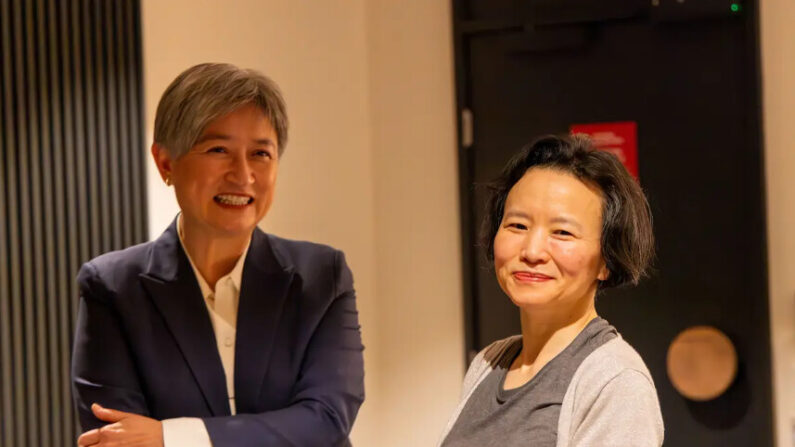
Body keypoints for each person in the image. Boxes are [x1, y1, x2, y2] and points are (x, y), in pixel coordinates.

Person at [71, 63, 364, 447]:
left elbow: (326, 419)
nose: (242, 175)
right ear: (165, 163)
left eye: (261, 153)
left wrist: (170, 437)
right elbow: (114, 438)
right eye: (218, 150)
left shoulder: (320, 276)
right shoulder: (113, 287)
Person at [439, 135, 663, 447]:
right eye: (517, 226)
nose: (532, 251)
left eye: (562, 232)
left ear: (606, 261)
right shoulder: (489, 363)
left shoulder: (615, 382)